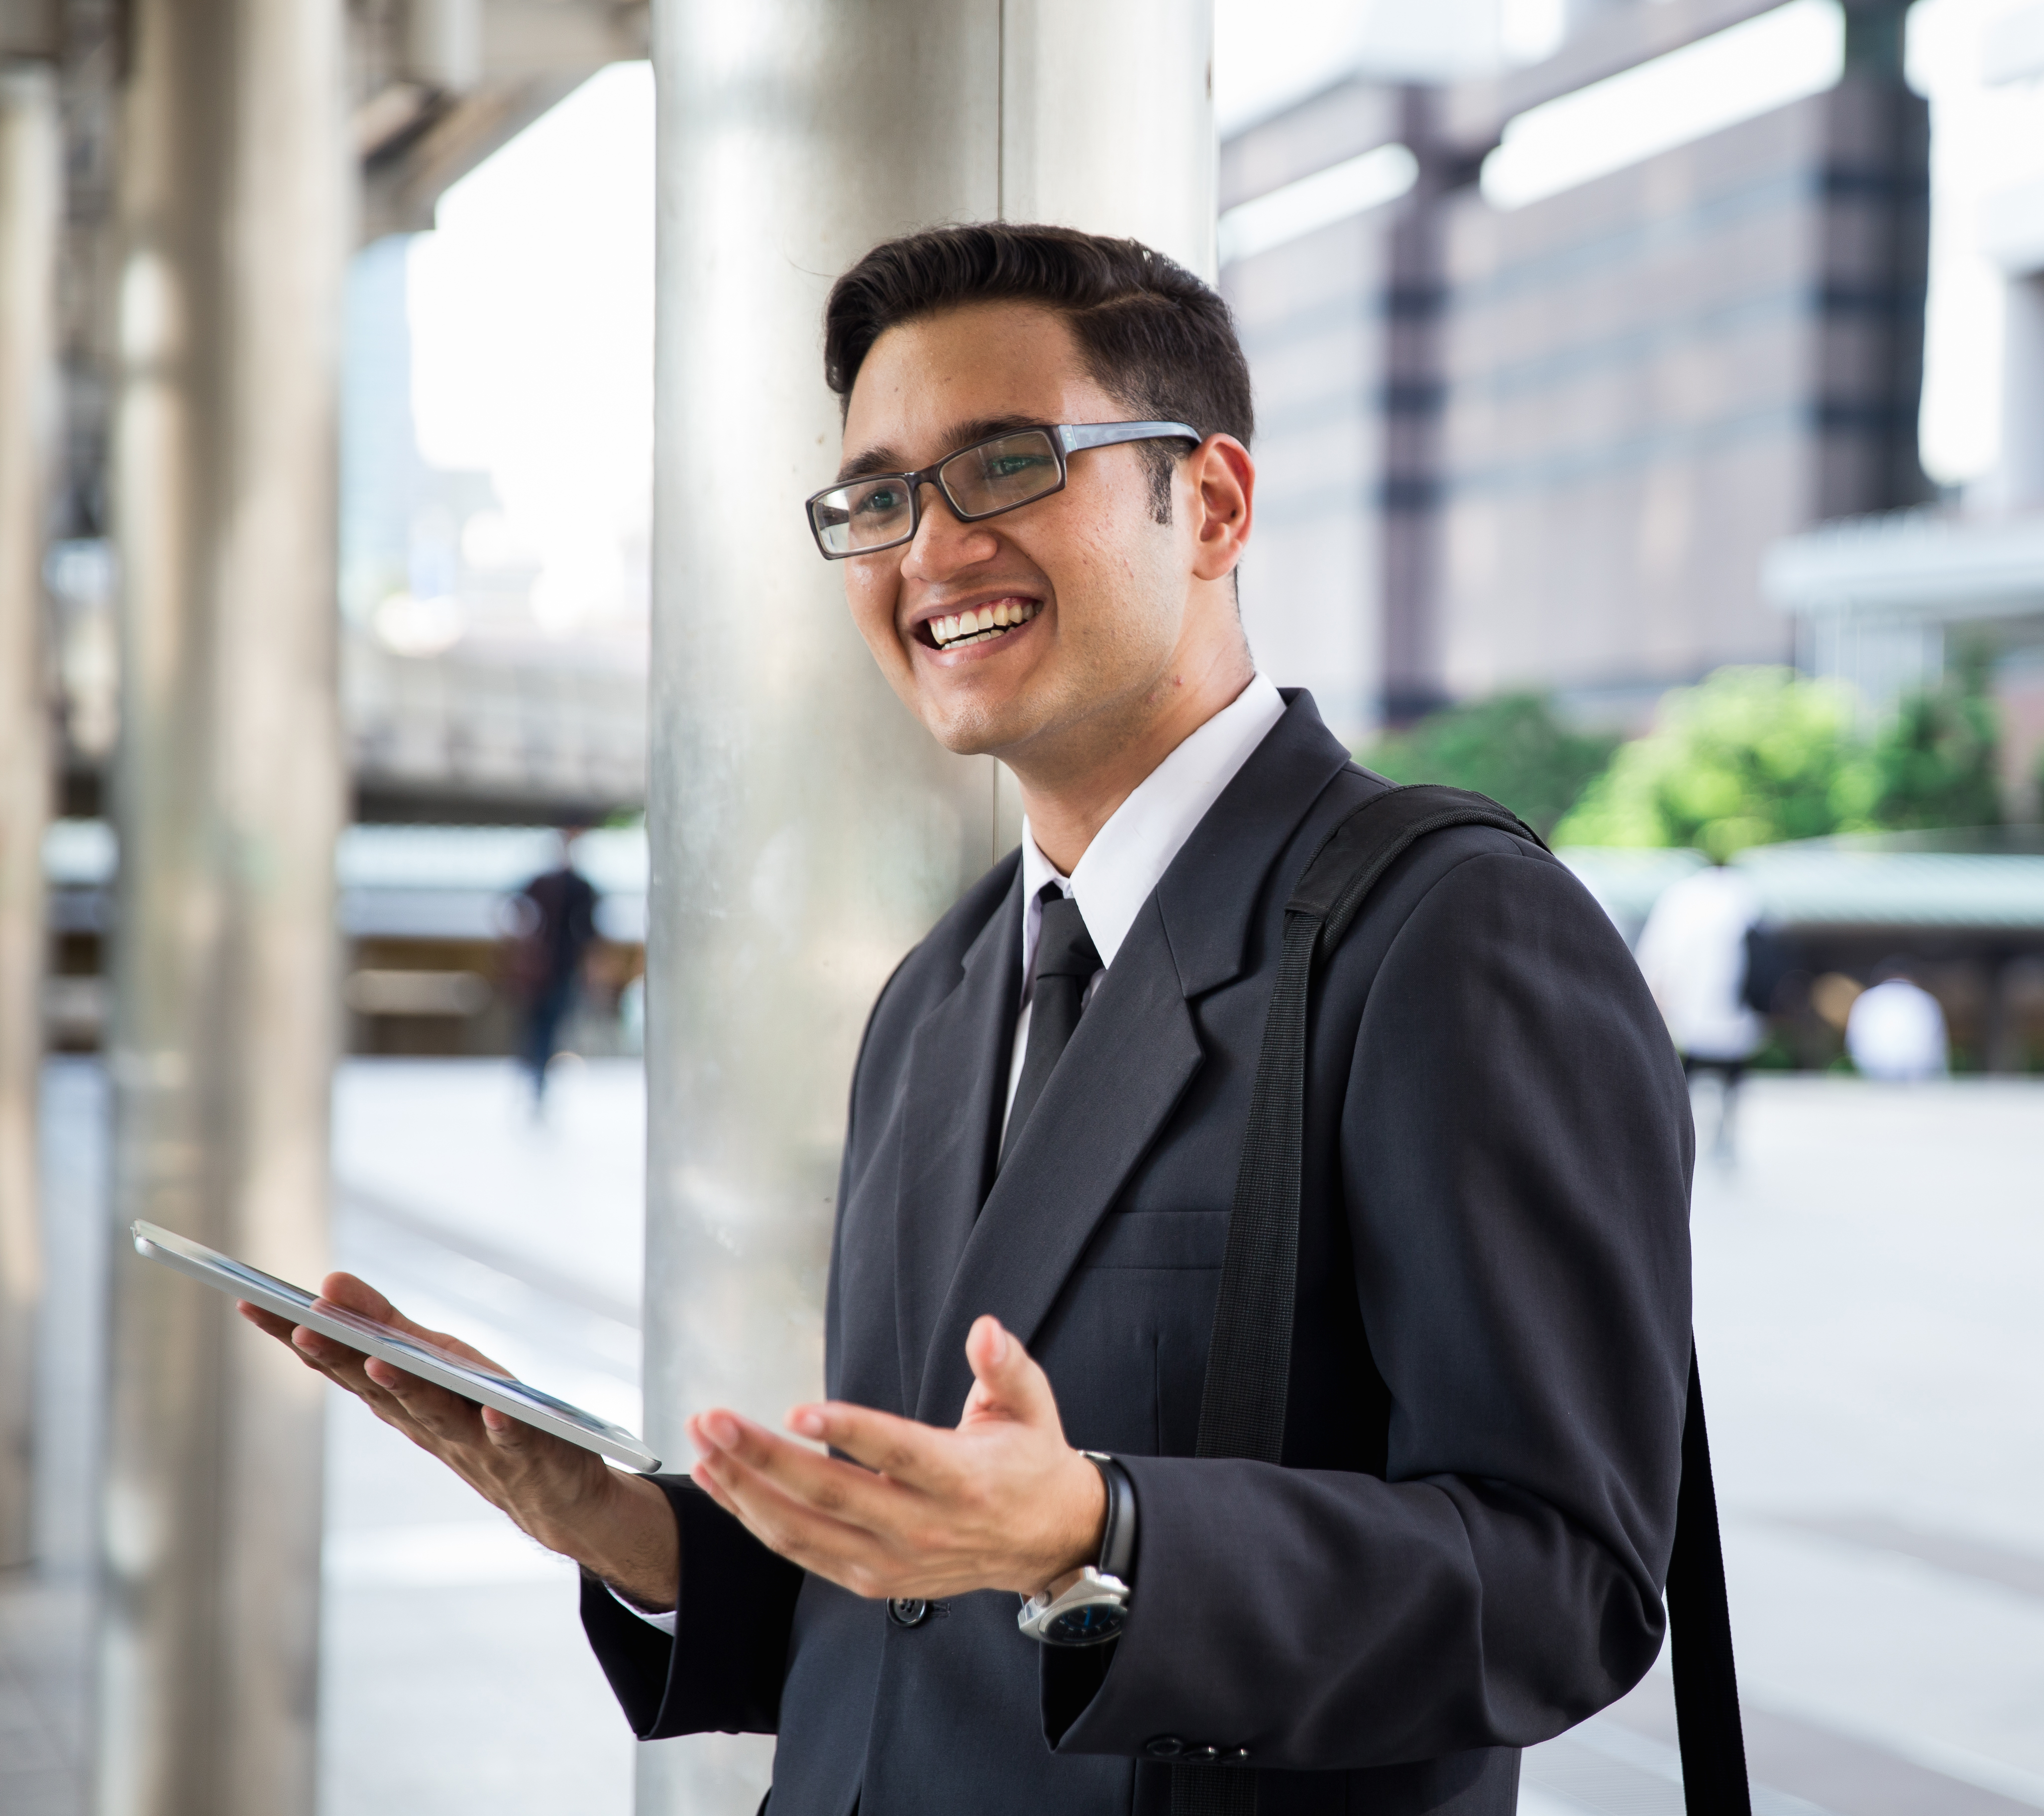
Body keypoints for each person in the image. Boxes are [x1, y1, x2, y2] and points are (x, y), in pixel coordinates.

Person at [239, 225, 1696, 1815]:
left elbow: (1568, 1584)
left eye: (1005, 464)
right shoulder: (940, 991)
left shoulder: (1447, 935)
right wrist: (634, 1533)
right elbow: (915, 1591)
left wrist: (1101, 1530)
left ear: (1209, 501)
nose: (928, 550)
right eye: (877, 497)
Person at [1635, 862, 1765, 1159]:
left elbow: (1657, 951)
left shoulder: (1681, 897)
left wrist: (1657, 999)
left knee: (1685, 1079)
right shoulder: (1745, 896)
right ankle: (1725, 1137)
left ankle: (1679, 1137)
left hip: (1691, 1010)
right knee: (1732, 1078)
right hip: (1737, 1009)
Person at [506, 826, 601, 1108]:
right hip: (546, 969)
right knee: (541, 1025)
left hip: (559, 968)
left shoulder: (578, 886)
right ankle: (536, 1076)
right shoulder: (546, 883)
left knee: (546, 1025)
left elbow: (589, 932)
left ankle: (538, 1076)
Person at [1844, 961, 1949, 1081]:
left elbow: (1853, 1040)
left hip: (1875, 1069)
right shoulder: (1926, 999)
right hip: (1917, 1073)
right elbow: (1939, 1044)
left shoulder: (1867, 998)